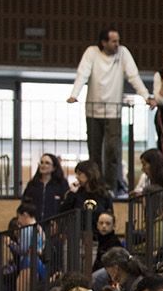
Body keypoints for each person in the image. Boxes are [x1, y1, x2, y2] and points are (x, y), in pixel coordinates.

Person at [66, 27, 155, 193]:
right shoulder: (91, 52)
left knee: (113, 151)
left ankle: (110, 187)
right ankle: (95, 185)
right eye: (114, 41)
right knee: (94, 152)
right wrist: (74, 94)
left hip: (113, 112)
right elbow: (82, 73)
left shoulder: (123, 53)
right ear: (104, 42)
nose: (117, 44)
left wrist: (146, 96)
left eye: (118, 41)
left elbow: (133, 75)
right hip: (93, 112)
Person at [19, 152, 68, 222]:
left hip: (54, 225)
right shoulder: (32, 184)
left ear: (54, 168)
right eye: (41, 162)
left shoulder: (61, 184)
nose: (43, 165)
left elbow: (65, 206)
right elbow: (25, 204)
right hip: (34, 224)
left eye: (47, 163)